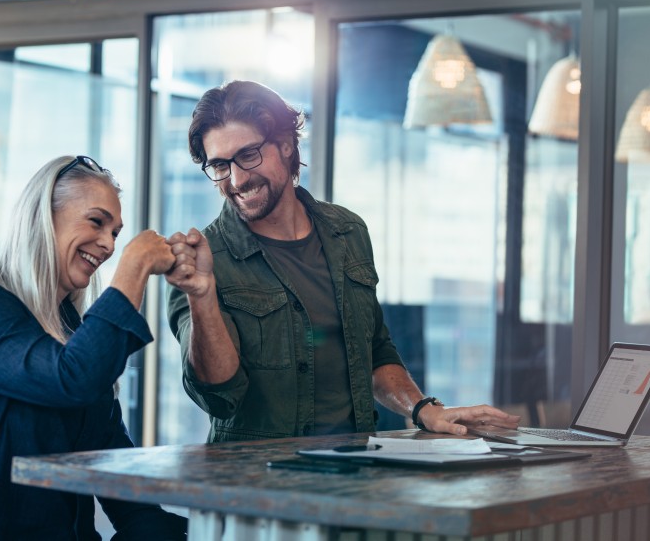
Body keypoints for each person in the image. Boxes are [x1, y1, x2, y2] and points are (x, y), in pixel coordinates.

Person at [165, 80, 520, 443]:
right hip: (254, 485)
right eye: (220, 165)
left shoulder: (348, 232)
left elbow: (374, 350)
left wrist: (422, 409)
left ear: (286, 145)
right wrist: (202, 296)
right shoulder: (201, 264)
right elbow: (217, 396)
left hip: (353, 472)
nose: (237, 179)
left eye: (249, 154)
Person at [0, 156, 186, 540]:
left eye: (116, 233)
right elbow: (71, 378)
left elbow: (116, 470)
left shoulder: (78, 335)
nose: (109, 244)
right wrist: (135, 265)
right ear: (44, 217)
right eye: (97, 222)